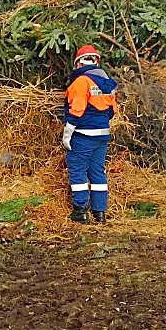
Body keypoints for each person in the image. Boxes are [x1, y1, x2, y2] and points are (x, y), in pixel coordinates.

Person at [62, 44, 118, 224]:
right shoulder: (107, 82)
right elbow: (112, 110)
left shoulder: (80, 82)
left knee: (78, 172)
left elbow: (77, 110)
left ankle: (80, 212)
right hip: (102, 135)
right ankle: (99, 213)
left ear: (78, 64)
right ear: (96, 62)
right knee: (98, 173)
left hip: (83, 135)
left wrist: (67, 134)